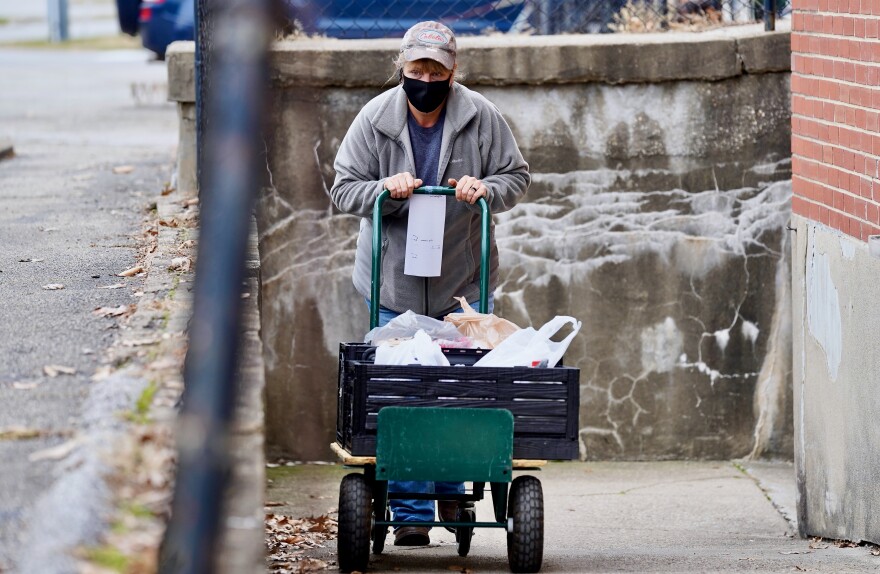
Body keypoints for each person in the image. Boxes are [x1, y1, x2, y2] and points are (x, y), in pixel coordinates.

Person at [330, 20, 530, 547]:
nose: (426, 76)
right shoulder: (375, 119)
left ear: (452, 70)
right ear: (401, 65)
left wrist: (485, 187)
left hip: (461, 284)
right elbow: (343, 189)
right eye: (417, 67)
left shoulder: (480, 116)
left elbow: (516, 177)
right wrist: (384, 191)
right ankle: (412, 510)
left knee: (458, 391)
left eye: (436, 68)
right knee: (404, 393)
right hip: (390, 284)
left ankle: (451, 491)